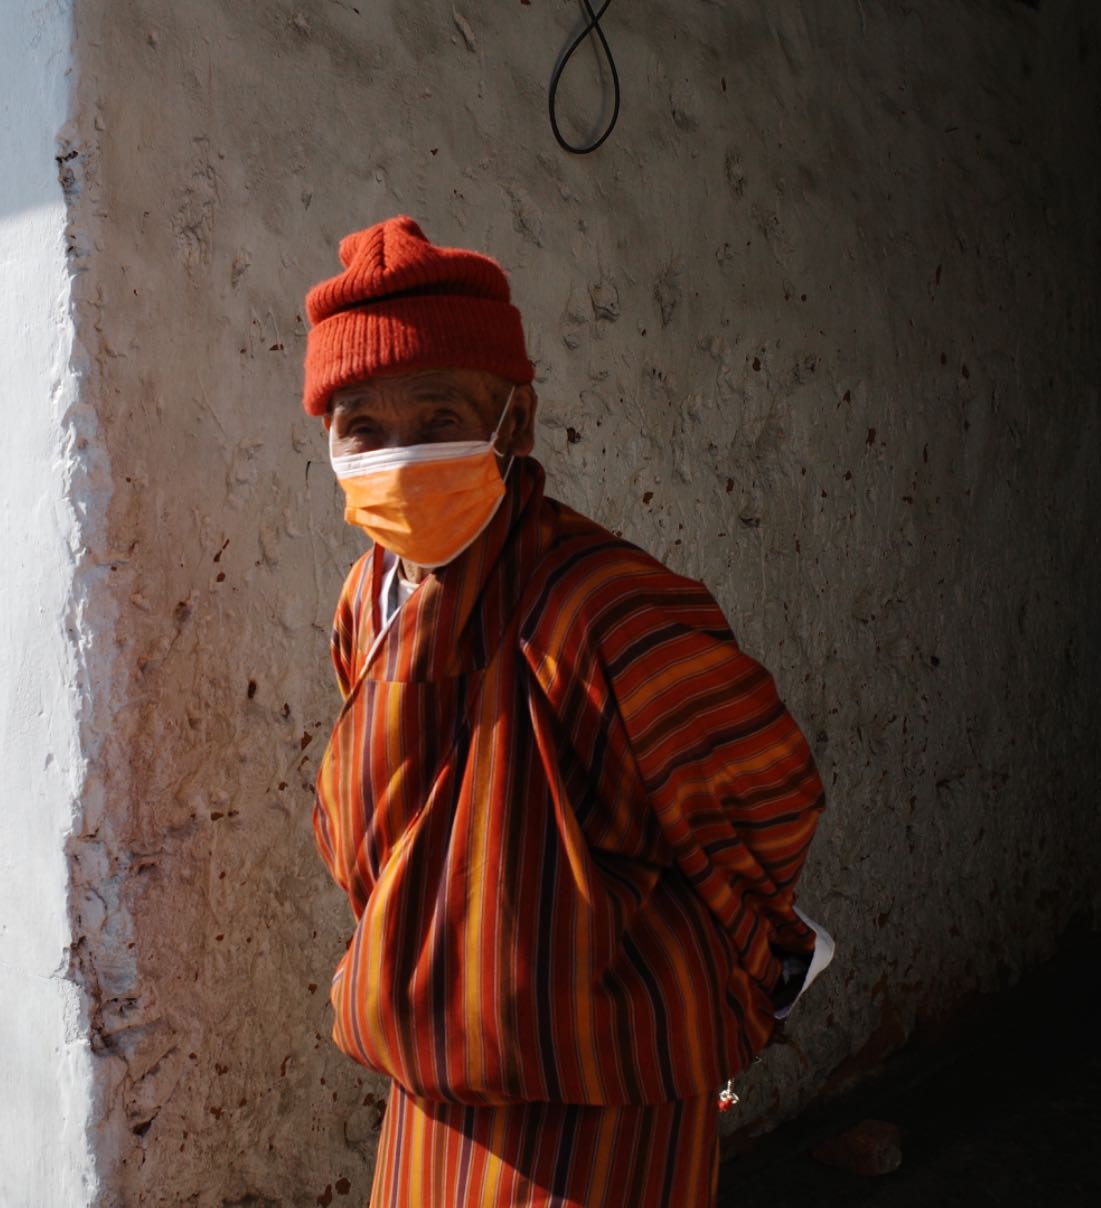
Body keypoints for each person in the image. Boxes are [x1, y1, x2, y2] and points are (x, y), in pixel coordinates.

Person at [303, 217, 833, 1206]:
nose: (399, 455)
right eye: (362, 428)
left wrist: (683, 953)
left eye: (439, 418)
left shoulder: (602, 607)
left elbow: (768, 794)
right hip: (430, 1084)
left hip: (600, 1091)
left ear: (515, 421)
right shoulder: (364, 603)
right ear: (328, 440)